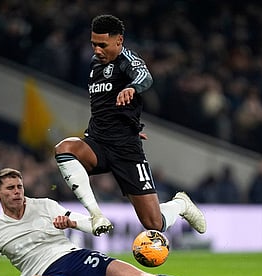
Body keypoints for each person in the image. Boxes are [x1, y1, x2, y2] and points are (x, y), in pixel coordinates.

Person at [0, 168, 248, 276]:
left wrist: (80, 223)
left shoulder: (44, 205)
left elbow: (83, 221)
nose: (17, 192)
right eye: (10, 188)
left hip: (78, 259)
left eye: (20, 186)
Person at [54, 14, 206, 236]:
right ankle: (96, 215)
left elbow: (145, 77)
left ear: (119, 41)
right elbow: (104, 105)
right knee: (65, 149)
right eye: (94, 44)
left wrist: (132, 88)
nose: (97, 50)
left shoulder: (127, 60)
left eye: (103, 45)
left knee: (154, 223)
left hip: (126, 150)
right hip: (98, 142)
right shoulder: (96, 63)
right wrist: (128, 121)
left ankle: (180, 204)